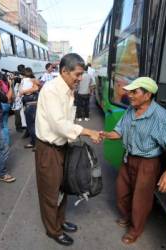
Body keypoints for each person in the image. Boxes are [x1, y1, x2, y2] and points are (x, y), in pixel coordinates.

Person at [100, 77, 166, 245]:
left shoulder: (161, 116)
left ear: (147, 95)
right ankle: (127, 216)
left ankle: (135, 230)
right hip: (128, 157)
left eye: (134, 92)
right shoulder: (131, 109)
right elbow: (119, 131)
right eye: (130, 91)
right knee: (122, 192)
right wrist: (106, 135)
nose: (129, 95)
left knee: (141, 200)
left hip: (148, 164)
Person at [35, 53, 101, 246]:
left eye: (82, 75)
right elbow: (59, 125)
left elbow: (68, 120)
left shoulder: (67, 89)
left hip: (63, 146)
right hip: (48, 149)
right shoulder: (51, 90)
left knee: (62, 187)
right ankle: (53, 230)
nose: (80, 79)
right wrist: (88, 131)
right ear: (64, 71)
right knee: (50, 192)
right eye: (78, 75)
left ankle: (60, 221)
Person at [19, 67, 40, 149]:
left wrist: (24, 91)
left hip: (29, 106)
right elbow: (37, 87)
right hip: (36, 104)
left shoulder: (25, 81)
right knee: (36, 124)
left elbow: (21, 92)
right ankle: (37, 142)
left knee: (31, 125)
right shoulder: (34, 80)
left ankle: (34, 143)